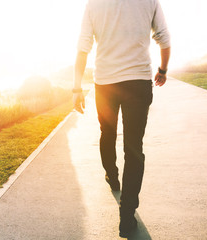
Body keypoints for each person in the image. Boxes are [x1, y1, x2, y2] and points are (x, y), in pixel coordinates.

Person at [73, 0, 171, 237]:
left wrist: (76, 88)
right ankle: (127, 215)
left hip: (105, 84)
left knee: (107, 133)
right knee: (134, 148)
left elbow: (83, 47)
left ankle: (112, 176)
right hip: (138, 82)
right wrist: (163, 70)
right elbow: (164, 39)